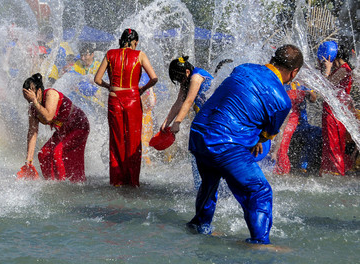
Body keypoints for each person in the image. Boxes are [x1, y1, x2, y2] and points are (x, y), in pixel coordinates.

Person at [187, 44, 303, 244]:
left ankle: (200, 226)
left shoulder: (243, 68)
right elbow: (266, 135)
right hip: (225, 144)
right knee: (260, 191)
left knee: (210, 181)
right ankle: (259, 243)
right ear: (294, 72)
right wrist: (259, 141)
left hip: (199, 133)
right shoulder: (282, 100)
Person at [94, 28, 158, 187]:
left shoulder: (110, 54)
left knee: (116, 141)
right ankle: (133, 182)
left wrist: (109, 87)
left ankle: (117, 181)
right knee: (133, 141)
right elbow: (154, 78)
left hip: (114, 99)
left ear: (121, 41)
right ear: (135, 42)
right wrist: (142, 89)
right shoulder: (140, 55)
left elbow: (97, 79)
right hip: (133, 100)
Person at [22, 73, 89, 182]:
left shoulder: (51, 94)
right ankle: (52, 183)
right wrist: (29, 159)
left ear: (39, 91)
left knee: (57, 152)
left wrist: (34, 101)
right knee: (43, 153)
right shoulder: (33, 108)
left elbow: (48, 117)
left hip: (79, 125)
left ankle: (63, 186)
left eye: (31, 98)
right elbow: (32, 133)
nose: (29, 102)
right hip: (63, 130)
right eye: (27, 99)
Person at [160, 56, 213, 189]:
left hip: (216, 117)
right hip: (204, 118)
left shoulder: (196, 77)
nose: (180, 82)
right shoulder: (187, 79)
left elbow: (188, 101)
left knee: (208, 151)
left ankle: (213, 185)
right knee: (196, 151)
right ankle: (200, 187)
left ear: (187, 72)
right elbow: (179, 102)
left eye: (180, 78)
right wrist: (167, 122)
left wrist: (177, 122)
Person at [320, 44, 354, 175]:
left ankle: (336, 173)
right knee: (329, 145)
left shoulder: (344, 69)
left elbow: (326, 86)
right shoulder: (342, 69)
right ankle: (328, 171)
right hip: (333, 112)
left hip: (334, 114)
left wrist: (327, 69)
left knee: (334, 146)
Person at [273, 81, 316, 174]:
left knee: (282, 145)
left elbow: (313, 99)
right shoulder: (282, 79)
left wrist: (309, 92)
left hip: (292, 117)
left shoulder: (301, 82)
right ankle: (275, 169)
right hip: (278, 115)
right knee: (273, 144)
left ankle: (283, 171)